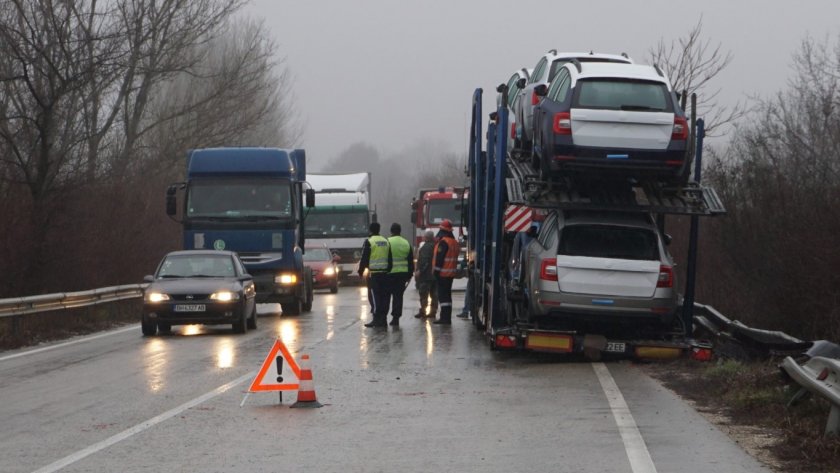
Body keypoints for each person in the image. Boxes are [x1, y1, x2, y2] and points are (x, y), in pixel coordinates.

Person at [357, 222, 392, 327]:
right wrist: (388, 270)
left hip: (374, 275)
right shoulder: (385, 241)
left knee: (374, 297)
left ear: (370, 230)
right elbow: (390, 258)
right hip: (385, 274)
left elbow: (364, 257)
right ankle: (384, 319)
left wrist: (361, 271)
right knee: (385, 296)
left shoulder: (369, 241)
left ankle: (376, 319)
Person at [385, 223, 414, 327]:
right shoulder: (406, 243)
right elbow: (410, 260)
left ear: (391, 231)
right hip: (402, 274)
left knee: (386, 296)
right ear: (400, 231)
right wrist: (410, 274)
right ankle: (396, 318)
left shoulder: (387, 242)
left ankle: (383, 317)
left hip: (389, 274)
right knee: (398, 297)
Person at [432, 219, 460, 325]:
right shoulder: (454, 242)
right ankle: (446, 317)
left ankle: (444, 318)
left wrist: (436, 272)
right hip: (450, 274)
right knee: (447, 297)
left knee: (443, 297)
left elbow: (440, 259)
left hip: (442, 274)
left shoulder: (443, 242)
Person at [414, 230, 438, 319]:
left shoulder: (426, 247)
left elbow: (425, 261)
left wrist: (419, 271)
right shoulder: (436, 245)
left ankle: (423, 311)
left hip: (426, 275)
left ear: (426, 237)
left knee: (424, 294)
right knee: (434, 295)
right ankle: (433, 312)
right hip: (435, 275)